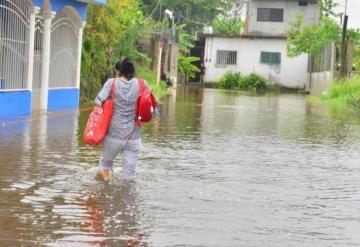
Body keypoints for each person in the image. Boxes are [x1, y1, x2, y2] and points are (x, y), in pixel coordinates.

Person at [95, 58, 148, 181]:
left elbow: (98, 101)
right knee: (129, 174)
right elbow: (152, 108)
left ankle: (106, 191)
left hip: (114, 134)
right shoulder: (142, 83)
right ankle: (127, 197)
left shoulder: (112, 83)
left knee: (105, 165)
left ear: (118, 71)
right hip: (134, 137)